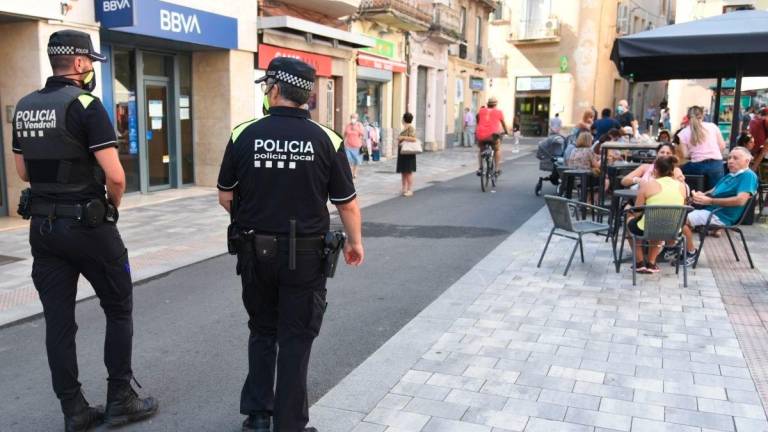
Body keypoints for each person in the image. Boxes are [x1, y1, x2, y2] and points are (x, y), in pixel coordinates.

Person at [11, 30, 157, 432]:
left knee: (59, 321)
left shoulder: (24, 105)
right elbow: (116, 176)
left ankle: (74, 410)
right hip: (88, 226)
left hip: (43, 228)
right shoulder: (87, 105)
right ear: (77, 63)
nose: (92, 67)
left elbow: (23, 171)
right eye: (90, 61)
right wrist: (110, 210)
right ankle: (120, 399)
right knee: (118, 306)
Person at [220, 57, 364, 432]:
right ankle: (290, 425)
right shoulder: (327, 138)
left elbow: (225, 196)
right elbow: (346, 202)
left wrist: (252, 215)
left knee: (262, 329)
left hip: (254, 251)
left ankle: (257, 416)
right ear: (308, 95)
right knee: (296, 337)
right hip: (305, 255)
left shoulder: (243, 134)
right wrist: (355, 242)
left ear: (274, 90)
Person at [676, 147, 758, 265]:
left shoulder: (748, 175)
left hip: (721, 215)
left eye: (735, 158)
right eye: (729, 158)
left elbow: (741, 201)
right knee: (675, 212)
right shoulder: (730, 175)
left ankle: (690, 252)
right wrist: (700, 195)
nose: (730, 161)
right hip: (712, 210)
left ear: (747, 161)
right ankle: (673, 247)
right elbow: (713, 191)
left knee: (678, 219)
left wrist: (709, 201)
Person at [626, 156, 687, 273]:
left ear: (655, 170)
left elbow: (637, 211)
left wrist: (630, 211)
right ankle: (651, 263)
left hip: (647, 228)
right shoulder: (682, 187)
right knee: (659, 222)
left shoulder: (647, 185)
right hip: (674, 230)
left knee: (630, 218)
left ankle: (639, 263)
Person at [678, 105, 726, 190]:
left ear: (688, 117)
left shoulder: (683, 133)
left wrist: (694, 153)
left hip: (696, 166)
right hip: (716, 164)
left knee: (678, 171)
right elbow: (722, 146)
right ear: (702, 116)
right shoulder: (712, 126)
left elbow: (685, 155)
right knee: (716, 193)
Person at [621, 143, 685, 190]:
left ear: (672, 156)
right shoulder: (646, 167)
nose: (665, 155)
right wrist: (637, 180)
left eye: (668, 153)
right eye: (662, 152)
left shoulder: (675, 170)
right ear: (657, 153)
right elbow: (624, 181)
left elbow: (682, 187)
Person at [475, 96, 508, 176]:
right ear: (495, 104)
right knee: (496, 149)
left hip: (480, 134)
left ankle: (480, 168)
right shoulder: (499, 112)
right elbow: (503, 123)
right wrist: (506, 131)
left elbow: (478, 119)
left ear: (488, 104)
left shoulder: (481, 111)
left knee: (481, 150)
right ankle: (496, 170)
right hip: (493, 135)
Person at [397, 112, 418, 197]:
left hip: (409, 152)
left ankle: (409, 189)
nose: (402, 120)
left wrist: (403, 137)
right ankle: (403, 188)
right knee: (403, 171)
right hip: (402, 152)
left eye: (402, 118)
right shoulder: (404, 129)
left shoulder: (411, 128)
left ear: (404, 119)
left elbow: (413, 139)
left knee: (408, 172)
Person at [343, 113, 365, 178]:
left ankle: (354, 173)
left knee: (356, 161)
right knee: (348, 160)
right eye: (352, 117)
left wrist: (356, 128)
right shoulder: (348, 125)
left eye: (354, 117)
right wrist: (343, 142)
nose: (353, 119)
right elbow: (345, 134)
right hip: (348, 146)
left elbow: (362, 134)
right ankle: (350, 173)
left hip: (357, 146)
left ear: (357, 118)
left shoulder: (359, 125)